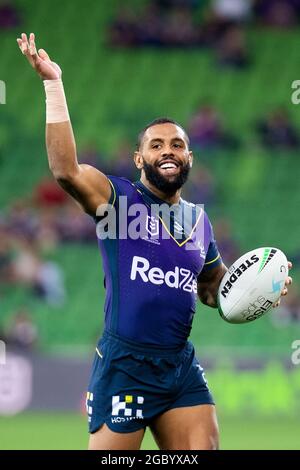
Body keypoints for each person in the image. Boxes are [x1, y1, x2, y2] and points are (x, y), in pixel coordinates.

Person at [17, 33, 292, 451]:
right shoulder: (118, 200)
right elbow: (66, 171)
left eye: (178, 144)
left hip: (178, 367)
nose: (168, 150)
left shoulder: (199, 222)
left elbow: (214, 289)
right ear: (138, 158)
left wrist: (261, 289)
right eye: (156, 144)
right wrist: (53, 84)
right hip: (125, 365)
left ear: (189, 159)